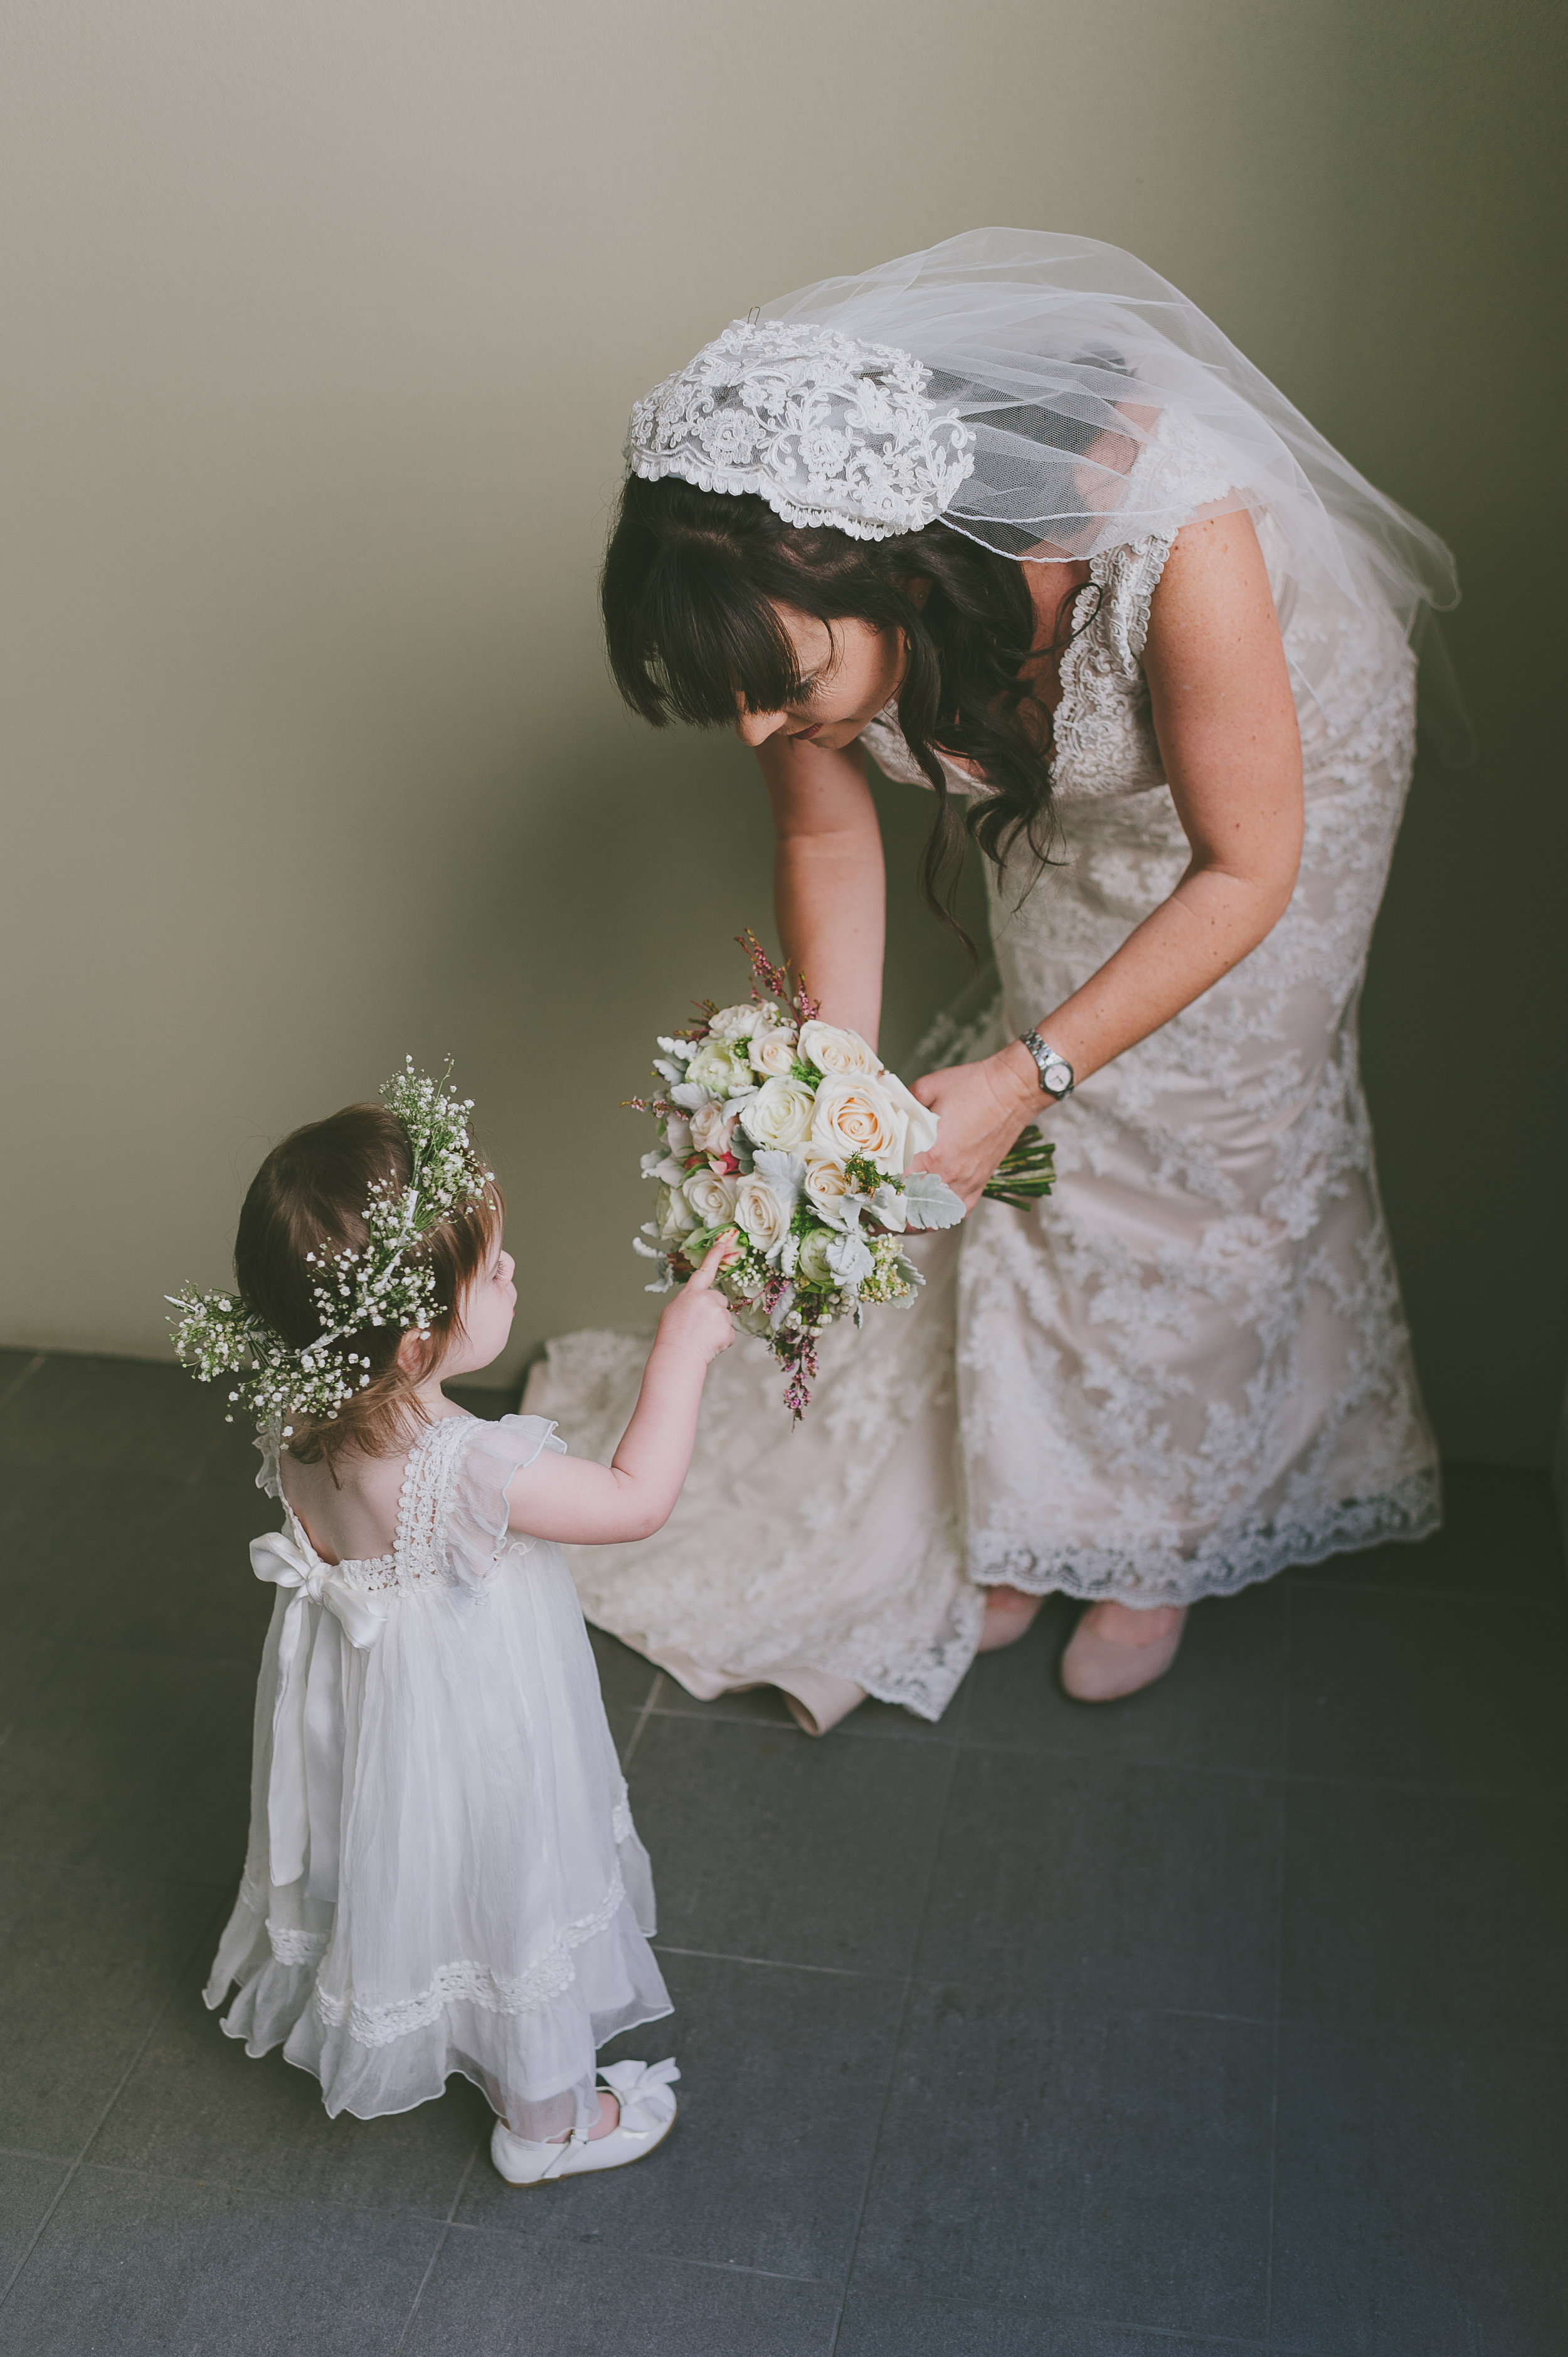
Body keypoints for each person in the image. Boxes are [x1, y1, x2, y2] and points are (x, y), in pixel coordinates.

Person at [526, 228, 1458, 1730]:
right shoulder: (814, 642)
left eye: (787, 690)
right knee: (1051, 1141)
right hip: (1060, 782)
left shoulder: (1181, 532)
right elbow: (825, 847)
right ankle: (1048, 1504)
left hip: (1275, 790)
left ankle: (1156, 1532)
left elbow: (1243, 868)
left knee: (1209, 1128)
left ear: (892, 574)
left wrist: (1028, 1074)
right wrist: (828, 1089)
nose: (760, 732)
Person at [175, 1064, 738, 2184]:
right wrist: (680, 1348)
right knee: (506, 1878)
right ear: (414, 1342)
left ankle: (411, 1998)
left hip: (371, 1709)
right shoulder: (469, 1465)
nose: (513, 1268)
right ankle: (549, 2121)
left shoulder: (305, 1404)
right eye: (490, 1266)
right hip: (478, 1718)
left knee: (404, 1862)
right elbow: (634, 1501)